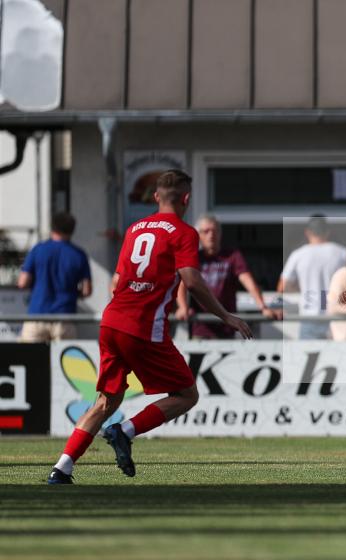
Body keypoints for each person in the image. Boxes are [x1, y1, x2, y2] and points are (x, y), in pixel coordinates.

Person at [47, 170, 252, 485]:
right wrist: (226, 315)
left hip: (112, 320)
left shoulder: (134, 229)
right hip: (142, 326)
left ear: (156, 197)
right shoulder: (184, 232)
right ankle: (124, 431)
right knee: (186, 394)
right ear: (186, 199)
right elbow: (192, 280)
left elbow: (118, 282)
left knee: (105, 400)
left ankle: (61, 468)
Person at [176, 214, 280, 339]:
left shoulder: (232, 256)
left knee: (230, 358)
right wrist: (183, 307)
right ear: (199, 235)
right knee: (195, 358)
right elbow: (183, 284)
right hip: (201, 327)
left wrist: (262, 307)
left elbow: (248, 281)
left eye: (214, 231)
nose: (211, 235)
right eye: (206, 231)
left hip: (226, 325)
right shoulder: (195, 258)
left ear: (220, 233)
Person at [17, 212, 92, 342]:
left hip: (37, 315)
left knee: (31, 359)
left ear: (53, 228)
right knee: (64, 360)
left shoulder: (38, 249)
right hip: (65, 317)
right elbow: (87, 290)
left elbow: (23, 282)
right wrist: (73, 293)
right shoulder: (79, 254)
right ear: (72, 230)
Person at [278, 216, 346, 339]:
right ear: (328, 232)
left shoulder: (298, 255)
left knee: (308, 357)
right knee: (337, 357)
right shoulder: (342, 253)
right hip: (336, 317)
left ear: (307, 233)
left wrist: (301, 289)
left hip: (309, 317)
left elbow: (282, 286)